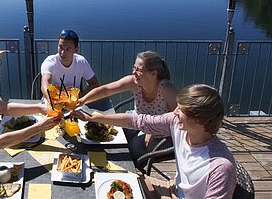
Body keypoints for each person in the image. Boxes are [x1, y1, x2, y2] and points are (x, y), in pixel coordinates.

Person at [72, 84, 236, 199]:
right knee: (115, 182)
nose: (175, 111)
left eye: (182, 110)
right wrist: (96, 117)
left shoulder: (220, 167)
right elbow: (138, 121)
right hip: (173, 188)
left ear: (201, 121)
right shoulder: (177, 123)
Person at [77, 51, 178, 160]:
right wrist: (82, 100)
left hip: (161, 136)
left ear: (154, 73)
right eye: (134, 68)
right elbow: (106, 90)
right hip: (136, 122)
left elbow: (178, 120)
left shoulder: (167, 90)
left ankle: (135, 173)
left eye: (139, 70)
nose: (134, 72)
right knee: (107, 135)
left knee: (132, 151)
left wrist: (152, 131)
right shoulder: (134, 82)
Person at [40, 29, 107, 109]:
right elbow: (45, 84)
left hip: (73, 105)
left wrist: (81, 94)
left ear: (76, 50)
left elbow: (94, 84)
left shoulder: (81, 62)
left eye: (68, 49)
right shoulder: (50, 62)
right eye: (60, 47)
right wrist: (52, 102)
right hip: (52, 104)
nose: (62, 52)